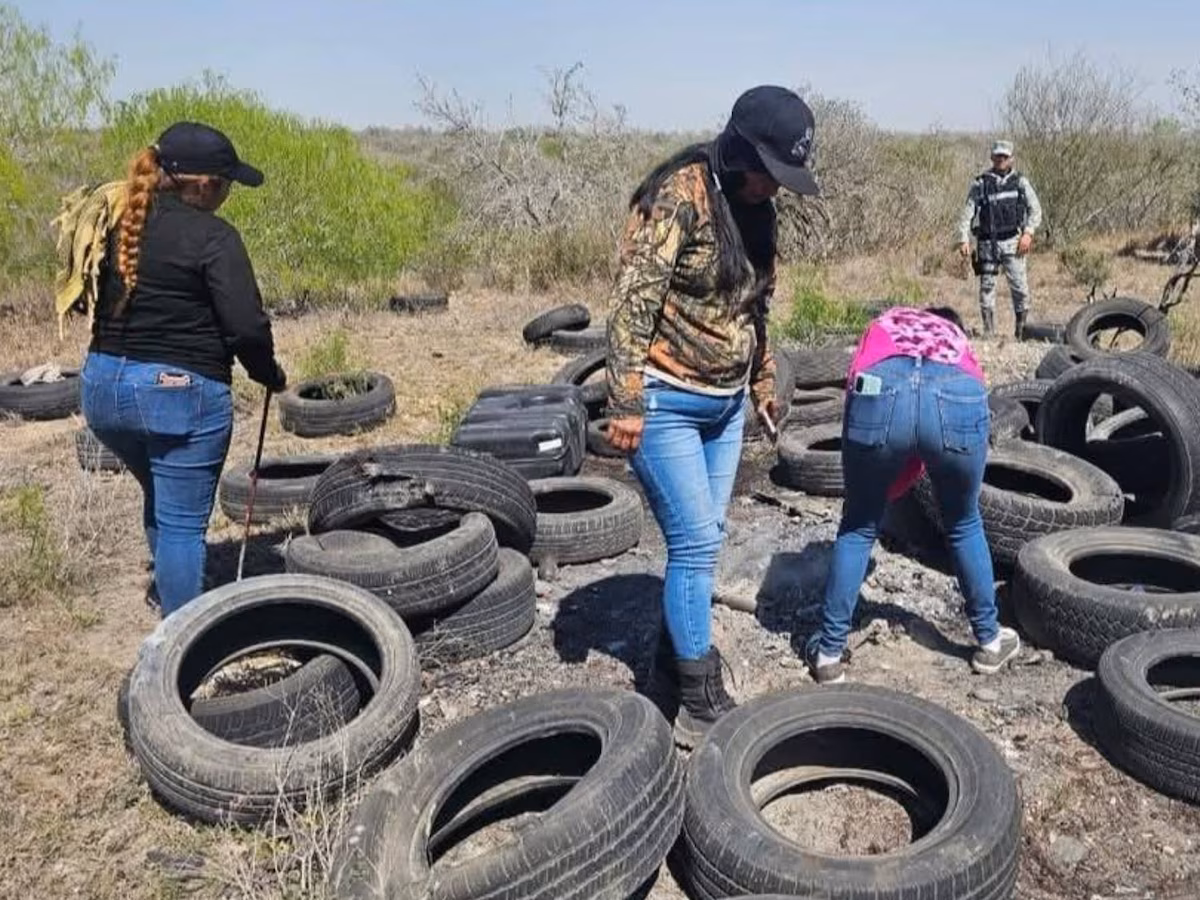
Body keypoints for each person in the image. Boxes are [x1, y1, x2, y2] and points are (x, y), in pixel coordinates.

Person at [605, 85, 820, 747]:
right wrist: (626, 398)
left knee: (706, 536)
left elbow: (756, 308)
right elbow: (632, 301)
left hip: (725, 406)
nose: (773, 188)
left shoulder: (760, 211)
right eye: (767, 173)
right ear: (738, 150)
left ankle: (669, 670)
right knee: (696, 543)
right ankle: (700, 698)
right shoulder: (680, 196)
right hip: (667, 398)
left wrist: (761, 380)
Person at [80, 121, 287, 617]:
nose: (228, 193)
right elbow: (245, 326)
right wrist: (268, 373)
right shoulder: (214, 237)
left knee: (161, 491)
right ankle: (184, 644)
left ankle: (175, 590)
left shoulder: (117, 222)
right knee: (181, 525)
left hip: (102, 389)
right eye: (227, 183)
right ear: (204, 184)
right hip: (176, 393)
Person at [805, 305, 1021, 684]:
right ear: (950, 323)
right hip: (959, 391)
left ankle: (828, 654)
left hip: (880, 387)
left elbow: (855, 387)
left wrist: (877, 488)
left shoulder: (886, 322)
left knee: (858, 526)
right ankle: (988, 641)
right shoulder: (956, 338)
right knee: (964, 522)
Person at [956, 140, 1043, 339]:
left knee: (1020, 288)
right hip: (987, 244)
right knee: (987, 288)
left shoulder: (1020, 182)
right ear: (992, 157)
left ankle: (1021, 332)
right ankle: (989, 332)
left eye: (1005, 156)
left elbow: (1035, 210)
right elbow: (967, 213)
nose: (1001, 160)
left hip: (1014, 242)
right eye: (997, 156)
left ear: (1011, 158)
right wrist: (963, 239)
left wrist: (1028, 234)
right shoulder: (980, 183)